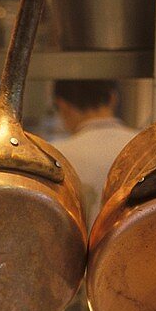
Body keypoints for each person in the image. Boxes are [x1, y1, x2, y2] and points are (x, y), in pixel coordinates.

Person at [51, 80, 138, 227]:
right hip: (138, 245)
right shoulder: (144, 146)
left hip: (78, 249)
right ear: (113, 98)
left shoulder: (56, 155)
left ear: (62, 105)